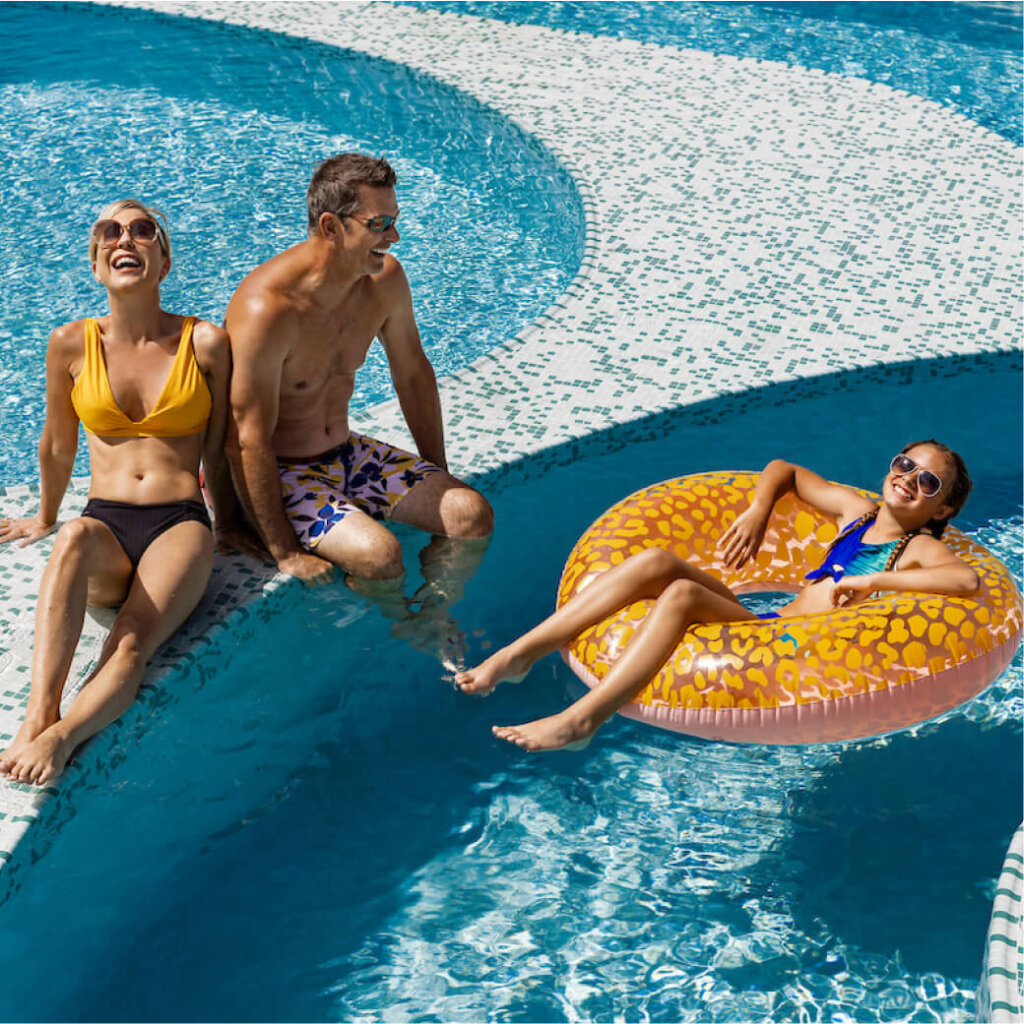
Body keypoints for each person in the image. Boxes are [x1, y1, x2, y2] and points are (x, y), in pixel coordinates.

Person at [456, 441, 979, 752]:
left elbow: (964, 581)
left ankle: (584, 720)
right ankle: (517, 655)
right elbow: (785, 469)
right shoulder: (855, 512)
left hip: (789, 648)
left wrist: (872, 581)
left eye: (929, 481)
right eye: (905, 465)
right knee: (656, 560)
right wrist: (758, 510)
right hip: (767, 621)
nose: (909, 479)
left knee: (682, 592)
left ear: (941, 511)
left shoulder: (914, 550)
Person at [0, 201, 236, 785]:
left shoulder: (204, 342)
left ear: (163, 259)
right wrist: (46, 515)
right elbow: (57, 446)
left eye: (141, 230)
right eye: (109, 232)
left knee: (132, 639)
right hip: (103, 522)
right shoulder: (70, 344)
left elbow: (223, 447)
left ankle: (61, 738)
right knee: (75, 534)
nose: (123, 238)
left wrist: (231, 524)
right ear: (96, 262)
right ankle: (37, 716)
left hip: (177, 523)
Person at [223, 153, 493, 610]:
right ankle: (392, 625)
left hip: (347, 453)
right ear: (331, 227)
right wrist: (284, 549)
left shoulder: (384, 280)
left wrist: (437, 469)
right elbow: (244, 438)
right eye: (380, 223)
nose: (394, 237)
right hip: (284, 471)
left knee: (471, 515)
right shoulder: (267, 309)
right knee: (380, 556)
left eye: (395, 221)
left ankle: (432, 615)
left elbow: (412, 372)